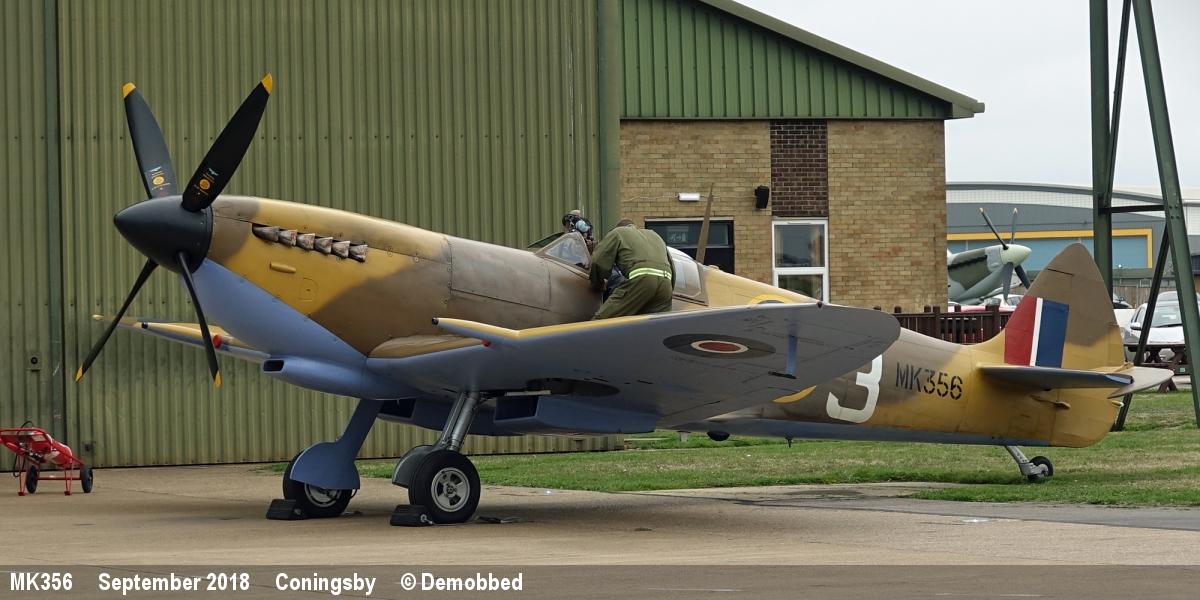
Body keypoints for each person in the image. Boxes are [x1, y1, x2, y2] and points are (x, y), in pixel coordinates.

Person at [589, 219, 674, 319]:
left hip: (642, 281)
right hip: (666, 285)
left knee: (601, 321)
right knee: (656, 325)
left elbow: (598, 260)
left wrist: (597, 284)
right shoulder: (655, 236)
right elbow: (672, 266)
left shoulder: (618, 232)